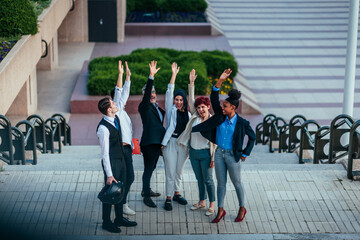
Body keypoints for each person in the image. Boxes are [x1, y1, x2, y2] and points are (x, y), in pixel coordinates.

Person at [192, 69, 256, 223]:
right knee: (221, 183)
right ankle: (220, 210)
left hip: (233, 156)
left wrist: (244, 154)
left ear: (233, 108)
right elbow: (214, 96)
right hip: (219, 153)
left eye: (225, 106)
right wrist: (220, 80)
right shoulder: (220, 117)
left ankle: (242, 208)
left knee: (237, 183)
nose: (222, 107)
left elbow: (252, 137)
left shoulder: (242, 123)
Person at [177, 69, 216, 216]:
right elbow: (191, 101)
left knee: (208, 180)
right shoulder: (195, 117)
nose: (200, 110)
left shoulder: (213, 121)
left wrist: (212, 158)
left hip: (206, 154)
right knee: (199, 179)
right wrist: (191, 83)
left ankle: (211, 205)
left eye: (203, 107)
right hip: (193, 152)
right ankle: (201, 202)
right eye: (199, 107)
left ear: (208, 107)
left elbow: (215, 143)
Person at [96, 97, 137, 233]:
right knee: (110, 192)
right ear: (109, 109)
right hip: (112, 163)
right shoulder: (103, 128)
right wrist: (109, 175)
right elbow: (105, 154)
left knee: (121, 189)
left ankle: (119, 218)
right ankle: (106, 222)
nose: (115, 103)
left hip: (121, 160)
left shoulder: (116, 119)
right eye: (113, 103)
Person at [161, 62, 191, 211]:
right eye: (176, 99)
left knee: (179, 171)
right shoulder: (170, 109)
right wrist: (174, 74)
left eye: (181, 100)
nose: (178, 102)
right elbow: (169, 91)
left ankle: (177, 193)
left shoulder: (189, 114)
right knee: (170, 171)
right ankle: (168, 197)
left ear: (184, 100)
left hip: (183, 145)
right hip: (171, 143)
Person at [138, 60, 165, 208]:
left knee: (152, 168)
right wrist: (151, 76)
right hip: (149, 143)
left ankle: (146, 189)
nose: (152, 94)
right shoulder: (144, 106)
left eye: (154, 91)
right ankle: (146, 196)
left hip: (157, 143)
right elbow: (147, 92)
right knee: (148, 169)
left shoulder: (156, 108)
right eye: (150, 92)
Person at [110, 60, 135, 216]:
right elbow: (120, 92)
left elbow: (123, 93)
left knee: (129, 177)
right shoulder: (116, 111)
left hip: (127, 149)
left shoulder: (122, 112)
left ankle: (121, 201)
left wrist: (128, 78)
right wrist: (121, 75)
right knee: (126, 178)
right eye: (115, 101)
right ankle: (121, 203)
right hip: (120, 151)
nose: (118, 102)